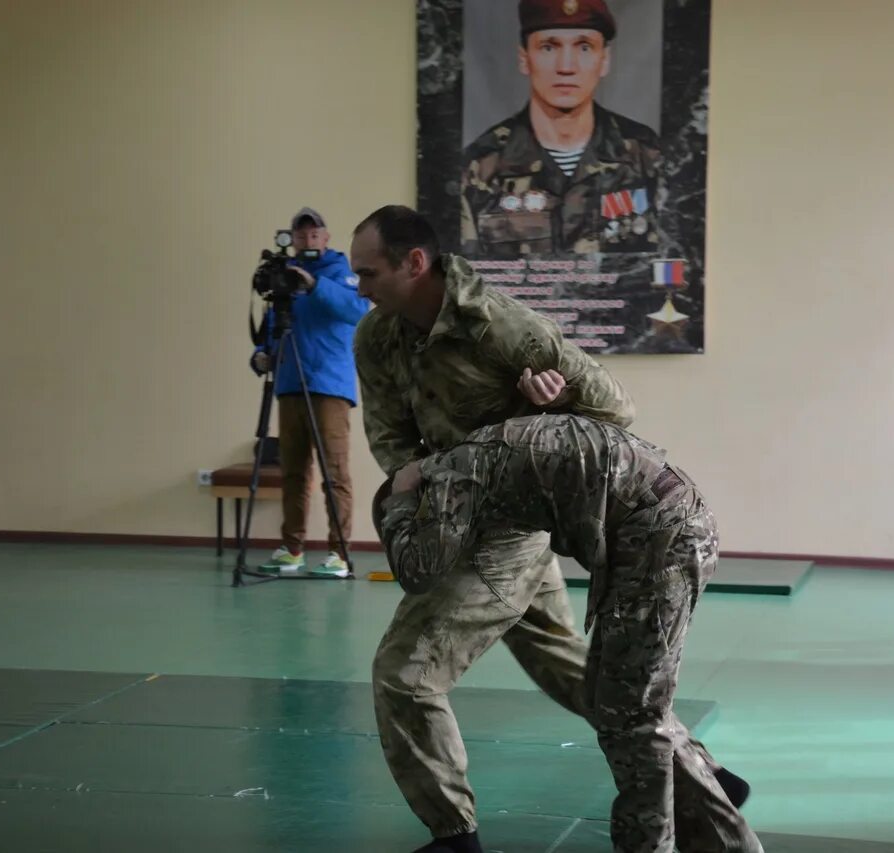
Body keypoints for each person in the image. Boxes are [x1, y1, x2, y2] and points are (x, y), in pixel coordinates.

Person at [351, 205, 747, 853]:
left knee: (405, 674)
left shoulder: (500, 326)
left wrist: (551, 403)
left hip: (509, 525)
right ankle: (710, 781)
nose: (359, 289)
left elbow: (613, 410)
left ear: (413, 263)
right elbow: (391, 438)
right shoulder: (378, 338)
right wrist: (428, 479)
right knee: (588, 681)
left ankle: (455, 837)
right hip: (467, 511)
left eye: (368, 273)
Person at [374, 413, 763, 853]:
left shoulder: (451, 476)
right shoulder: (483, 448)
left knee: (633, 716)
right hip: (668, 522)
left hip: (657, 538)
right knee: (616, 700)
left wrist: (401, 502)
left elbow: (418, 569)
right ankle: (719, 829)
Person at [460, 0, 662, 257]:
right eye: (548, 47)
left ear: (605, 60)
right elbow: (462, 283)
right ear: (524, 59)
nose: (566, 66)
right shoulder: (480, 168)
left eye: (584, 47)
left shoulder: (647, 157)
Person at [250, 207, 370, 577]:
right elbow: (273, 324)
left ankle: (339, 553)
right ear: (291, 238)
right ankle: (292, 547)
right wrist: (260, 356)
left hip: (328, 385)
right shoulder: (284, 276)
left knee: (335, 470)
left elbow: (358, 311)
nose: (307, 240)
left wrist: (315, 285)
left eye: (313, 234)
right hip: (288, 383)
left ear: (326, 237)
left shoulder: (341, 273)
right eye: (300, 235)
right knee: (293, 471)